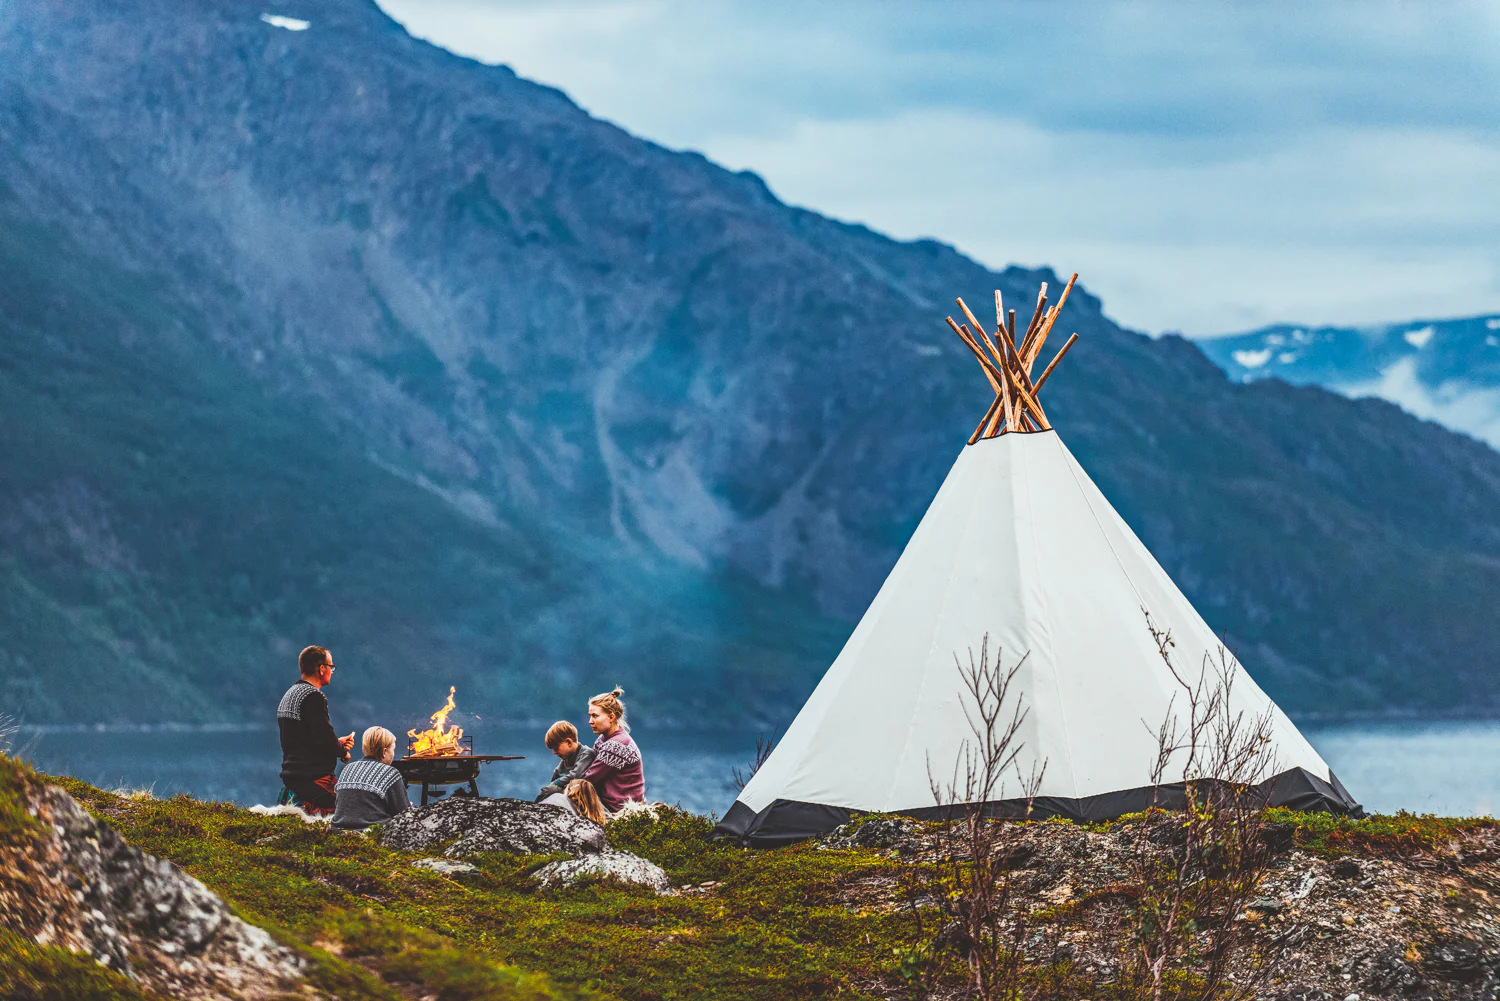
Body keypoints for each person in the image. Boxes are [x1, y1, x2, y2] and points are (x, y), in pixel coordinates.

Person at [276, 645, 355, 815]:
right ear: (321, 669)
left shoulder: (290, 694)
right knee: (352, 807)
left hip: (292, 775)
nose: (332, 671)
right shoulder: (313, 696)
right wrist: (342, 753)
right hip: (312, 778)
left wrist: (337, 743)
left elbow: (306, 737)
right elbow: (324, 737)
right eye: (331, 666)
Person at [330, 727, 410, 832]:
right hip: (371, 834)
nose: (393, 754)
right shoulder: (390, 773)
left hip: (339, 833)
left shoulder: (347, 768)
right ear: (384, 752)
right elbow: (404, 814)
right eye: (393, 749)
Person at [581, 687, 645, 812]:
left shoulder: (617, 744)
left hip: (620, 810)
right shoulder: (604, 739)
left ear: (611, 717)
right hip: (611, 805)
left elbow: (588, 779)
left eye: (595, 716)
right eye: (590, 716)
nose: (590, 721)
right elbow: (588, 766)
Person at [535, 720, 595, 802]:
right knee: (547, 790)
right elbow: (556, 773)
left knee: (549, 791)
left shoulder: (586, 754)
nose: (554, 752)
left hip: (577, 791)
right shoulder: (566, 758)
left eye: (556, 748)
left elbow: (576, 775)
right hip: (565, 788)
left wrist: (557, 783)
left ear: (569, 742)